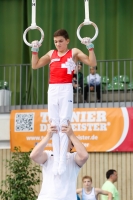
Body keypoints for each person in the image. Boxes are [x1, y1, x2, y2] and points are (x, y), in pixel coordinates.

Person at [31, 29, 97, 175]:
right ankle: (57, 161)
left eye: (61, 41)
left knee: (64, 124)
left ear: (67, 40)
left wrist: (90, 47)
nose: (58, 44)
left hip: (66, 88)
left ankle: (62, 161)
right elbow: (35, 65)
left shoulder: (73, 52)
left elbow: (92, 62)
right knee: (54, 125)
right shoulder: (50, 54)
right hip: (52, 89)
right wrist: (34, 50)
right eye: (55, 41)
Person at [30, 123, 89, 200]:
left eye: (65, 138)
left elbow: (84, 156)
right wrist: (48, 136)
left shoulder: (73, 157)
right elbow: (33, 156)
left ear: (71, 145)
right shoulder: (48, 155)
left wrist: (71, 135)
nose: (61, 139)